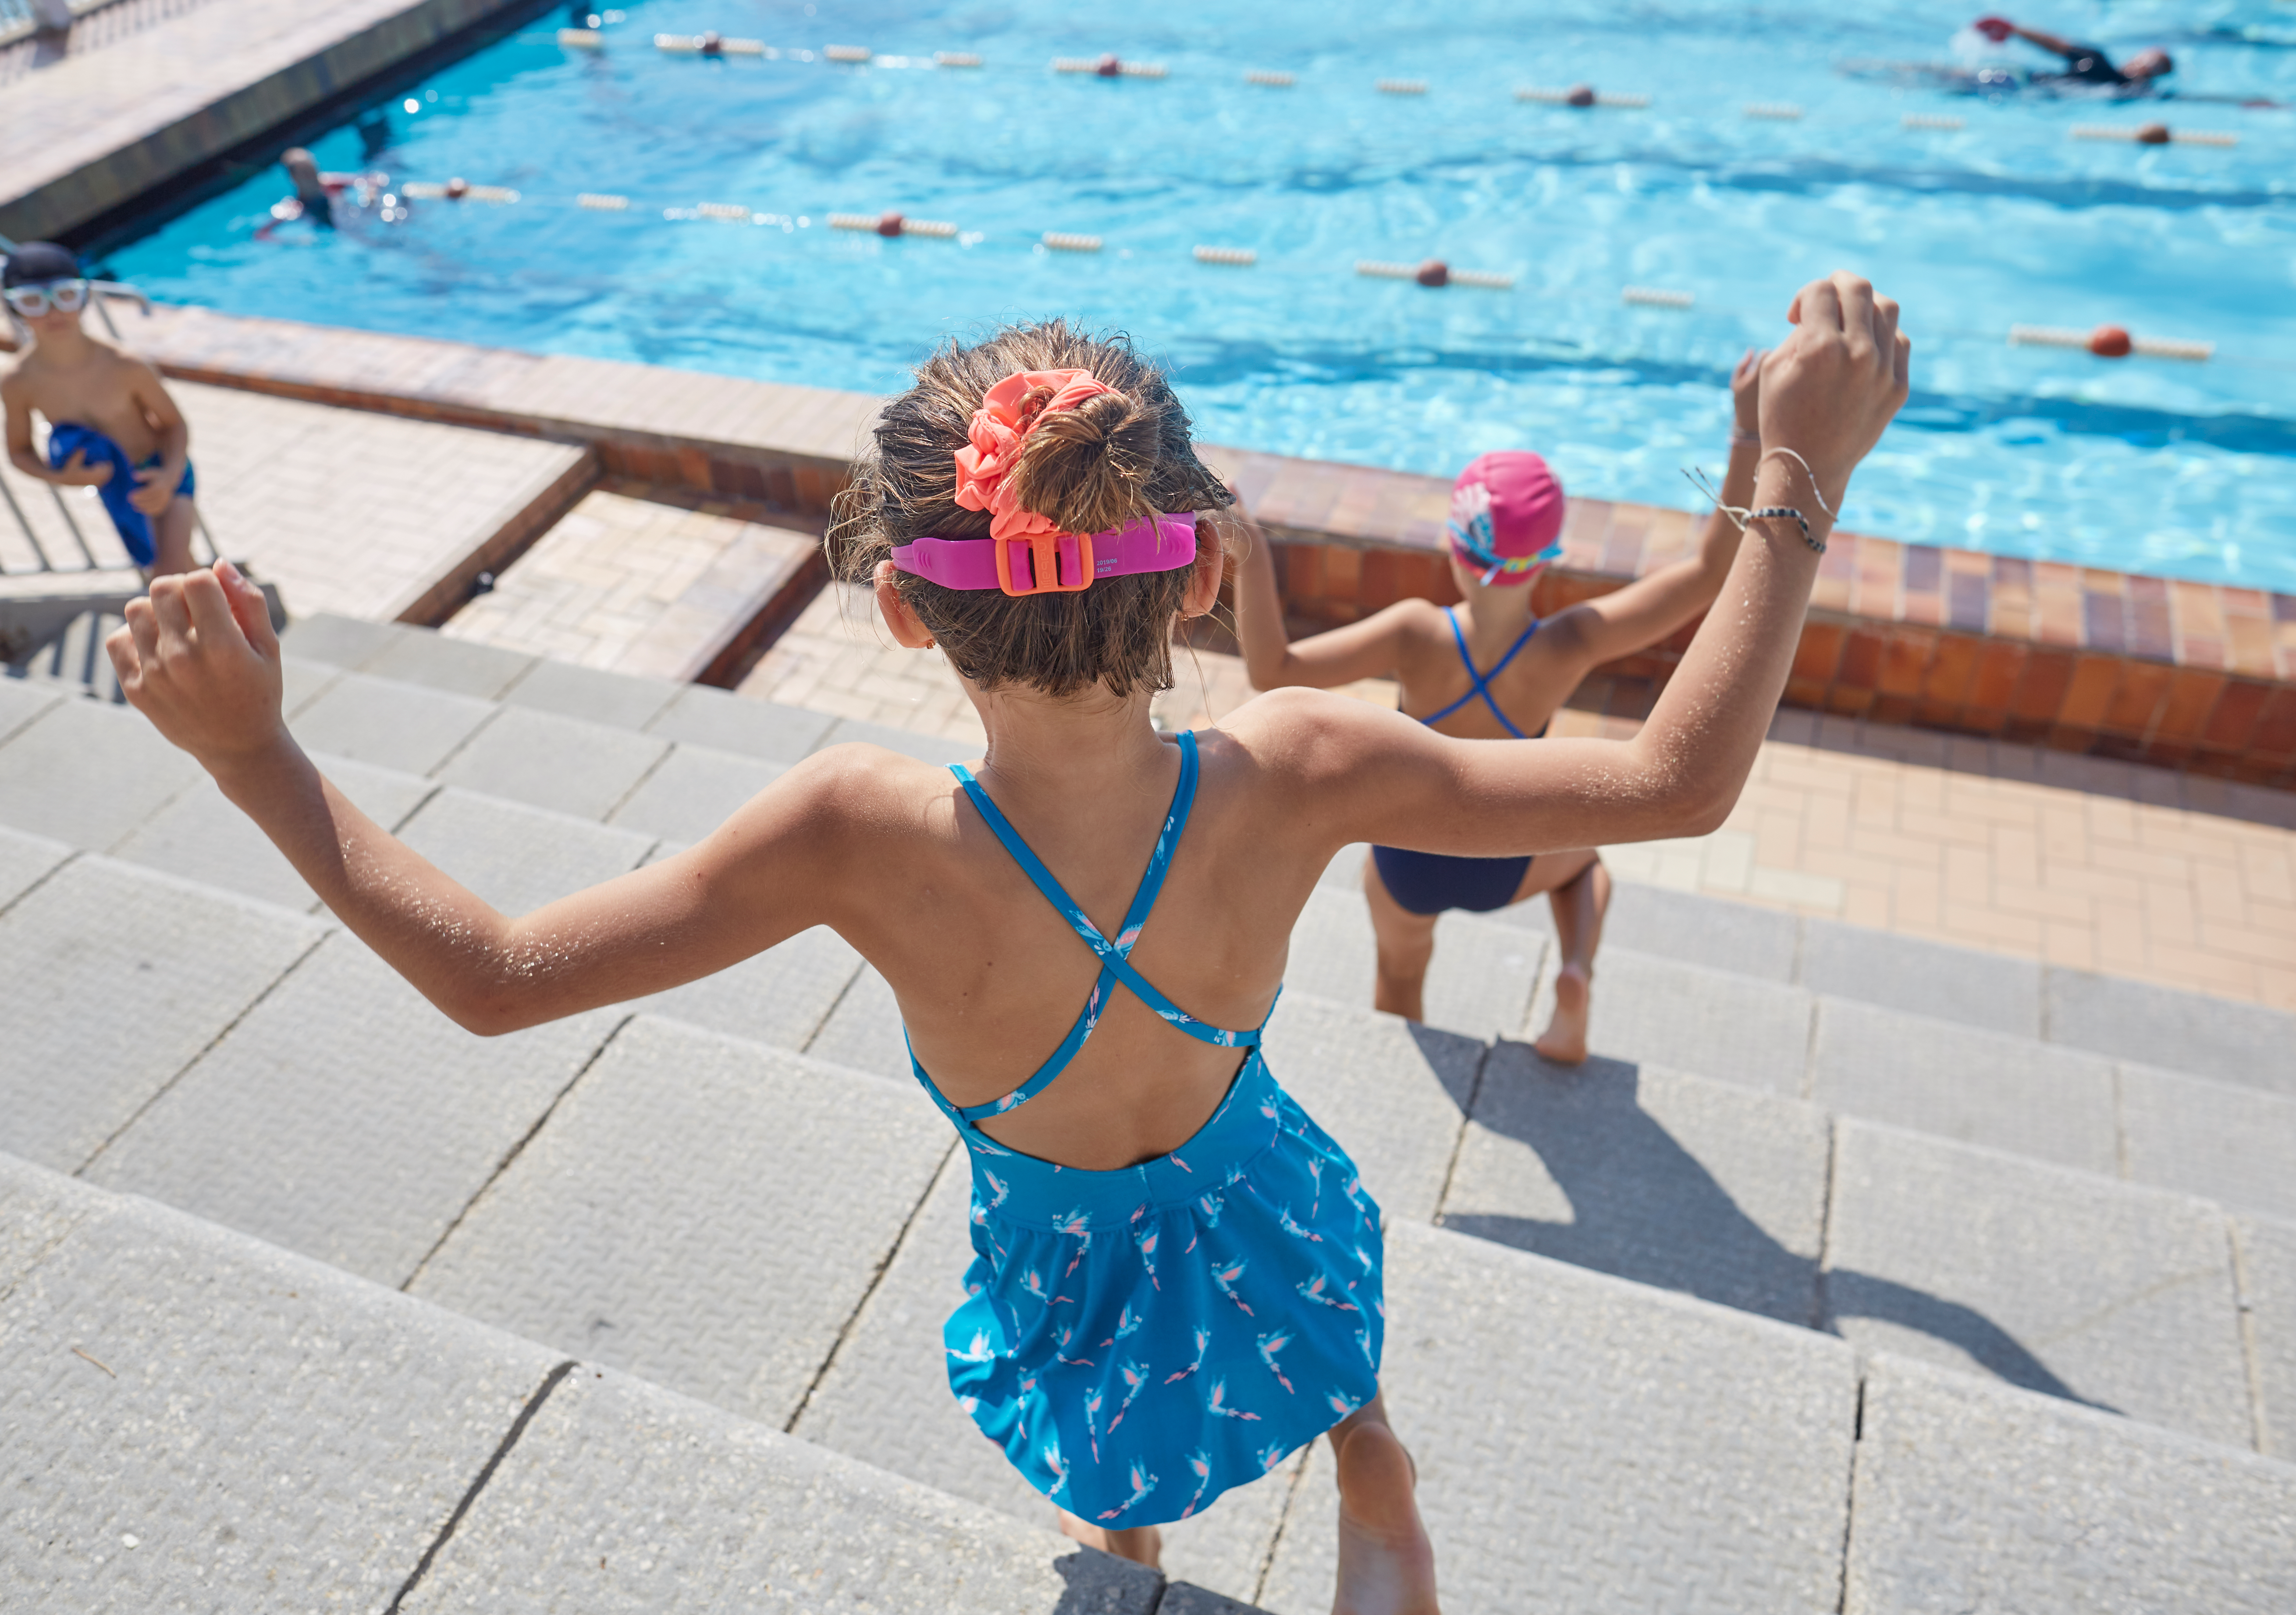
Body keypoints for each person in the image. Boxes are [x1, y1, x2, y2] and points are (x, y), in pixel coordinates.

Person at [103, 277, 1908, 1611]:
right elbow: (1675, 784)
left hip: (1064, 1255)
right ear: (1201, 575)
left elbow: (492, 976)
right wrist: (1788, 476)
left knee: (1119, 1466)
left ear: (899, 609)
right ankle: (1372, 1473)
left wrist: (256, 753)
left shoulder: (854, 837)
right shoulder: (1302, 766)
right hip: (1251, 1173)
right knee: (1320, 1335)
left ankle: (1131, 1562)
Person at [1230, 353, 1765, 1063]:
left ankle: (1401, 1065)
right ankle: (1573, 971)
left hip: (1407, 857)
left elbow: (1274, 671)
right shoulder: (1569, 644)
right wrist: (1746, 436)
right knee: (1583, 866)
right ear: (1543, 559)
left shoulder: (1415, 632)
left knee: (1397, 977)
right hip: (1507, 854)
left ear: (1456, 549)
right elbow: (1705, 574)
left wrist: (1250, 547)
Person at [2, 241, 199, 575]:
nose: (53, 313)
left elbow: (174, 425)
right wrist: (62, 477)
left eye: (64, 296)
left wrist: (168, 477)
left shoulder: (126, 365)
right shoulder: (18, 382)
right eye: (34, 302)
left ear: (83, 297)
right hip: (116, 487)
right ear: (15, 309)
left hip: (163, 470)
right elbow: (20, 452)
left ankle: (234, 620)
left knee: (169, 575)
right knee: (179, 574)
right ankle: (235, 615)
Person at [1970, 16, 2172, 91]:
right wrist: (2014, 30)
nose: (2142, 67)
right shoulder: (2097, 61)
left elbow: (2055, 45)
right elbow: (2055, 45)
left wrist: (2013, 29)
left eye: (2149, 68)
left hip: (2029, 89)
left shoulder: (2129, 91)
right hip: (2026, 84)